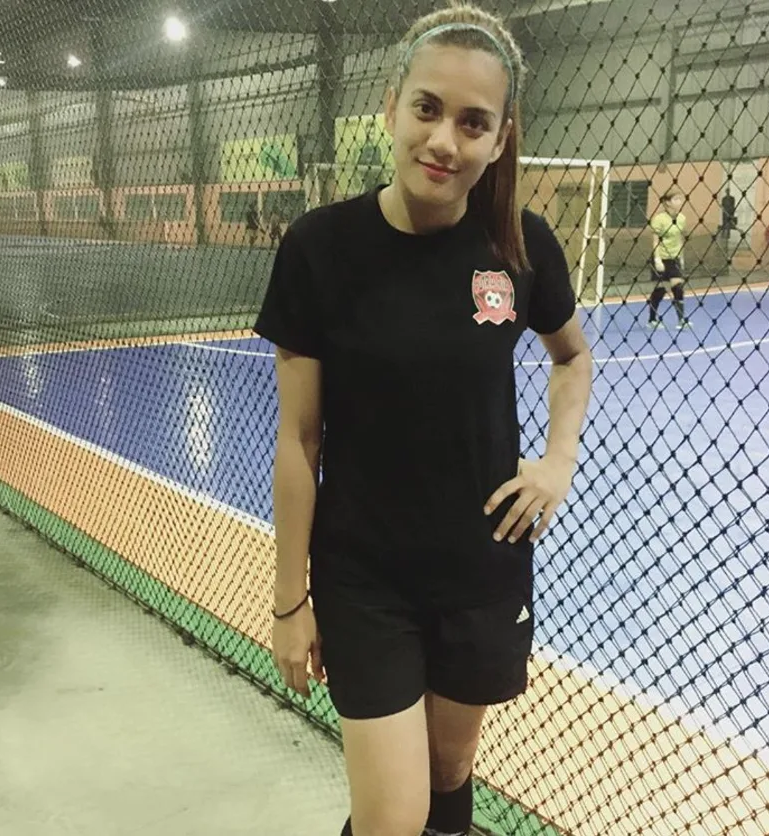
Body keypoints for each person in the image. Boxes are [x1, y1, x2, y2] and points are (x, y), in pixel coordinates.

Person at [253, 4, 592, 835]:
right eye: (427, 109)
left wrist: (557, 462)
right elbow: (298, 441)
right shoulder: (319, 248)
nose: (444, 141)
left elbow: (572, 357)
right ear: (390, 108)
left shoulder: (520, 245)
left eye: (472, 122)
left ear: (500, 138)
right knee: (391, 818)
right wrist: (289, 602)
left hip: (481, 565)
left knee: (448, 776)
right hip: (363, 575)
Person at [647, 189, 691, 329]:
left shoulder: (682, 218)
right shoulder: (659, 219)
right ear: (667, 202)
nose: (679, 202)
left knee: (678, 287)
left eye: (680, 199)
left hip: (674, 258)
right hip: (661, 258)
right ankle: (652, 320)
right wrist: (657, 259)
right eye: (676, 199)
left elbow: (680, 239)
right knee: (661, 289)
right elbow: (655, 240)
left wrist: (681, 257)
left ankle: (681, 320)